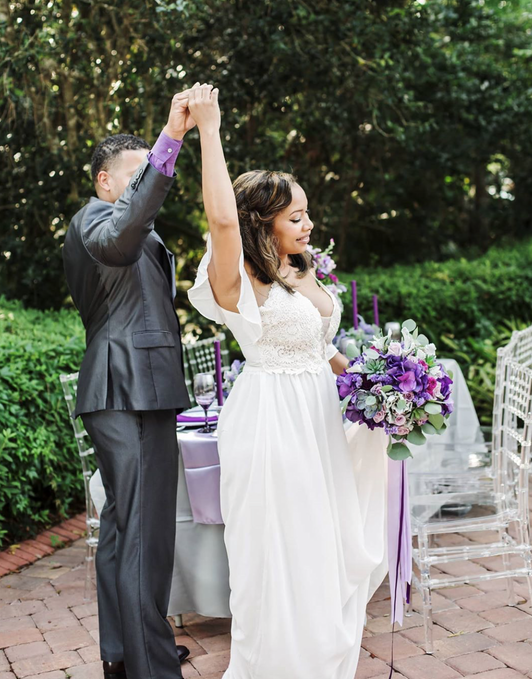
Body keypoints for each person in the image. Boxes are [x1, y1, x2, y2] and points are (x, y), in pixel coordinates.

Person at [187, 85, 389, 678]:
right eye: (295, 215)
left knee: (323, 546)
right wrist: (209, 127)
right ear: (261, 223)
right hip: (272, 420)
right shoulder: (236, 282)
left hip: (319, 417)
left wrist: (376, 390)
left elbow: (320, 345)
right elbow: (222, 216)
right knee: (280, 549)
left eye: (306, 213)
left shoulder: (298, 269)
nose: (308, 223)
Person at [62, 89, 195, 679]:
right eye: (136, 177)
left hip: (135, 387)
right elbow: (123, 237)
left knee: (123, 528)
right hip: (126, 388)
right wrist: (169, 143)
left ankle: (126, 653)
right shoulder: (96, 221)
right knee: (144, 529)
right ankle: (153, 668)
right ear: (105, 183)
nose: (147, 187)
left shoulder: (131, 228)